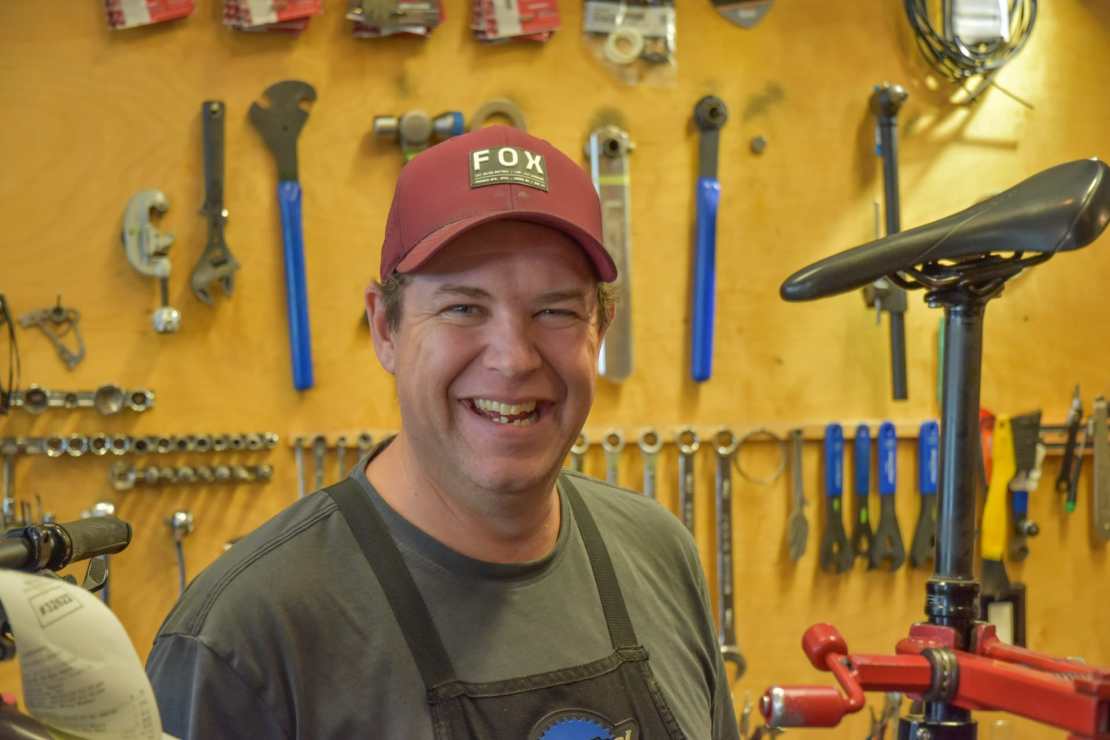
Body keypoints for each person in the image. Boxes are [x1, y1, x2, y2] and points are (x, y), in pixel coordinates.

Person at [147, 125, 740, 740]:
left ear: (601, 328)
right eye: (463, 308)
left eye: (555, 311)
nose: (513, 359)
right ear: (386, 329)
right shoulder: (244, 635)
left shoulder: (658, 554)